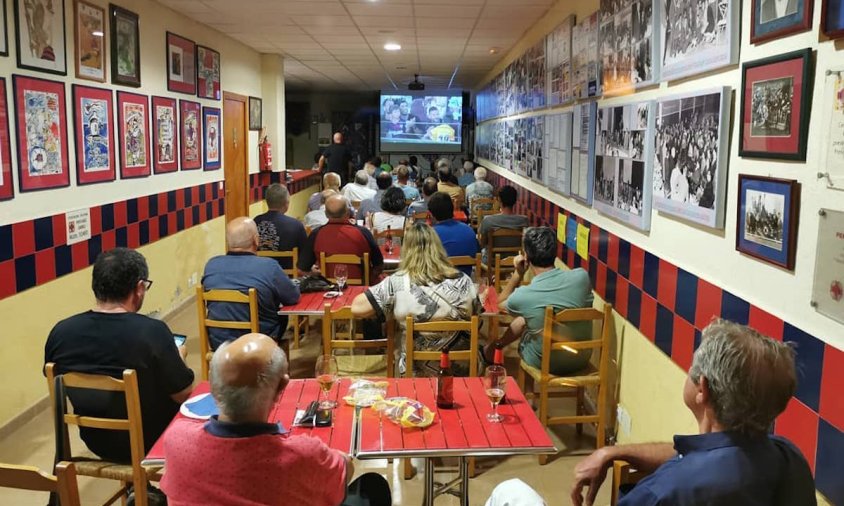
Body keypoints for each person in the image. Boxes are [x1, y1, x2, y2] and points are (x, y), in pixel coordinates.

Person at [571, 320, 816, 506]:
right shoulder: (788, 457)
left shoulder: (662, 493)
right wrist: (615, 451)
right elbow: (709, 456)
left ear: (703, 389)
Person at [161, 333, 392, 506]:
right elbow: (344, 472)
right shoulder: (302, 454)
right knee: (373, 486)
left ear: (213, 385)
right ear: (282, 385)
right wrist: (341, 457)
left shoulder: (176, 439)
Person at [44, 247, 194, 463]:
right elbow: (184, 394)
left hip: (95, 440)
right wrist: (179, 356)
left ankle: (139, 492)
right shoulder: (152, 331)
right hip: (151, 438)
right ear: (139, 288)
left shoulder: (61, 332)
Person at [351, 222, 479, 376]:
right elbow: (477, 316)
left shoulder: (398, 281)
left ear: (407, 250)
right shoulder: (464, 280)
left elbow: (357, 308)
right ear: (438, 248)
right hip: (462, 371)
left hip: (416, 372)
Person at [482, 227, 592, 373]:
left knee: (527, 323)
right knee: (526, 319)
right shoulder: (582, 277)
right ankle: (493, 348)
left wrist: (518, 274)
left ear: (526, 256)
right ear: (555, 253)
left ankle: (494, 351)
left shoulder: (524, 296)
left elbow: (496, 305)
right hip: (581, 357)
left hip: (547, 362)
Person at [202, 217, 300, 351]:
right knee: (280, 315)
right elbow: (292, 297)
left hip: (219, 342)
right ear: (256, 240)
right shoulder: (269, 266)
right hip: (258, 341)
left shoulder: (211, 265)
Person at [298, 194, 384, 285]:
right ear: (348, 213)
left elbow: (302, 269)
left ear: (326, 214)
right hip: (360, 289)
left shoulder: (316, 234)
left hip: (327, 289)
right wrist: (368, 279)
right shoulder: (363, 233)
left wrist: (317, 273)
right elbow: (379, 265)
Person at [254, 184, 308, 271]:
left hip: (260, 274)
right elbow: (305, 256)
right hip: (288, 276)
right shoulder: (296, 225)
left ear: (267, 201)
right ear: (286, 203)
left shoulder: (255, 221)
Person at [429, 192, 479, 276]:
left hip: (439, 281)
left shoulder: (430, 234)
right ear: (452, 209)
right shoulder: (469, 230)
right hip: (466, 279)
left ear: (432, 214)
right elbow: (475, 254)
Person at [478, 185, 528, 257]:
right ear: (515, 200)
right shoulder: (524, 221)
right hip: (514, 260)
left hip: (492, 261)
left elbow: (482, 244)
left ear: (499, 200)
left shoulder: (488, 220)